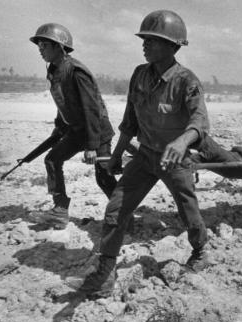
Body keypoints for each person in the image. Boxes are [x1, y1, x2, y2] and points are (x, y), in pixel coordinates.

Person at [78, 10, 210, 297]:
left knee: (188, 211)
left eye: (152, 39)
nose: (144, 44)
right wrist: (116, 155)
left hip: (174, 161)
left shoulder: (186, 81)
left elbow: (200, 122)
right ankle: (107, 269)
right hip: (145, 156)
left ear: (172, 46)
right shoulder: (139, 75)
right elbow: (129, 121)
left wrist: (181, 142)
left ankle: (201, 250)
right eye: (144, 39)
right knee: (116, 208)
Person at [29, 23, 118, 229]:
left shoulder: (76, 71)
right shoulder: (55, 70)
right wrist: (59, 128)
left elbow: (91, 110)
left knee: (103, 176)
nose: (40, 49)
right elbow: (64, 103)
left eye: (44, 45)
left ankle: (123, 215)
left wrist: (92, 146)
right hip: (76, 130)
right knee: (52, 159)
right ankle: (60, 210)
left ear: (59, 46)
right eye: (39, 45)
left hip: (96, 131)